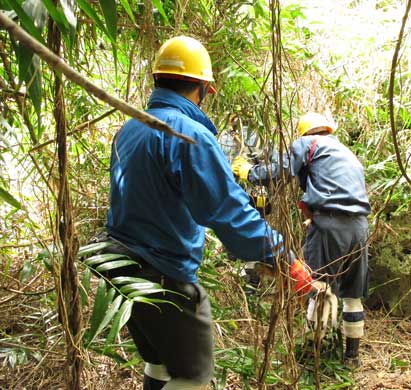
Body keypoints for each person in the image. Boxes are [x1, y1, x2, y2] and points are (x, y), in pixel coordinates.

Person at [103, 36, 313, 390]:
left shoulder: (130, 128)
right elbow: (227, 211)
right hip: (164, 276)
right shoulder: (188, 134)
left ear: (157, 79)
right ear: (203, 88)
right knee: (194, 378)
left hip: (121, 270)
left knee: (160, 361)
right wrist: (284, 257)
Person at [232, 112, 371, 368]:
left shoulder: (307, 144)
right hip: (360, 227)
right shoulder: (345, 152)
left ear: (305, 132)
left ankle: (312, 358)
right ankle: (351, 358)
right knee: (352, 296)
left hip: (329, 222)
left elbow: (279, 171)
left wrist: (248, 172)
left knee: (319, 288)